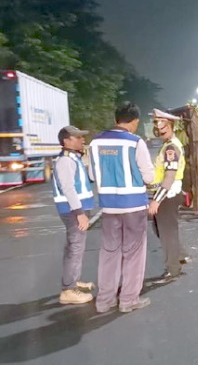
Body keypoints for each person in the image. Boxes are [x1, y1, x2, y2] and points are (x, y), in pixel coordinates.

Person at [89, 102, 155, 313]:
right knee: (134, 254)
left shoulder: (95, 143)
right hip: (134, 206)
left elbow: (92, 175)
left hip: (109, 208)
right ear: (134, 121)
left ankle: (104, 300)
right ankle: (128, 300)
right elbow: (149, 176)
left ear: (116, 118)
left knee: (109, 253)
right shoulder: (135, 142)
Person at [52, 126, 95, 304]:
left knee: (75, 246)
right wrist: (79, 213)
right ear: (66, 141)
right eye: (77, 138)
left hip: (77, 209)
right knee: (75, 248)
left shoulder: (74, 158)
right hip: (73, 211)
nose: (82, 140)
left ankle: (73, 280)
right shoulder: (65, 161)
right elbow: (68, 188)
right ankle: (68, 290)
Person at [149, 109, 188, 284]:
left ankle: (172, 269)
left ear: (170, 125)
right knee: (164, 230)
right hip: (168, 193)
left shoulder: (171, 148)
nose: (157, 127)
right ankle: (180, 255)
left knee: (167, 233)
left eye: (161, 124)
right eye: (156, 124)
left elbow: (169, 176)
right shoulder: (168, 145)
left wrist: (157, 200)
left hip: (168, 194)